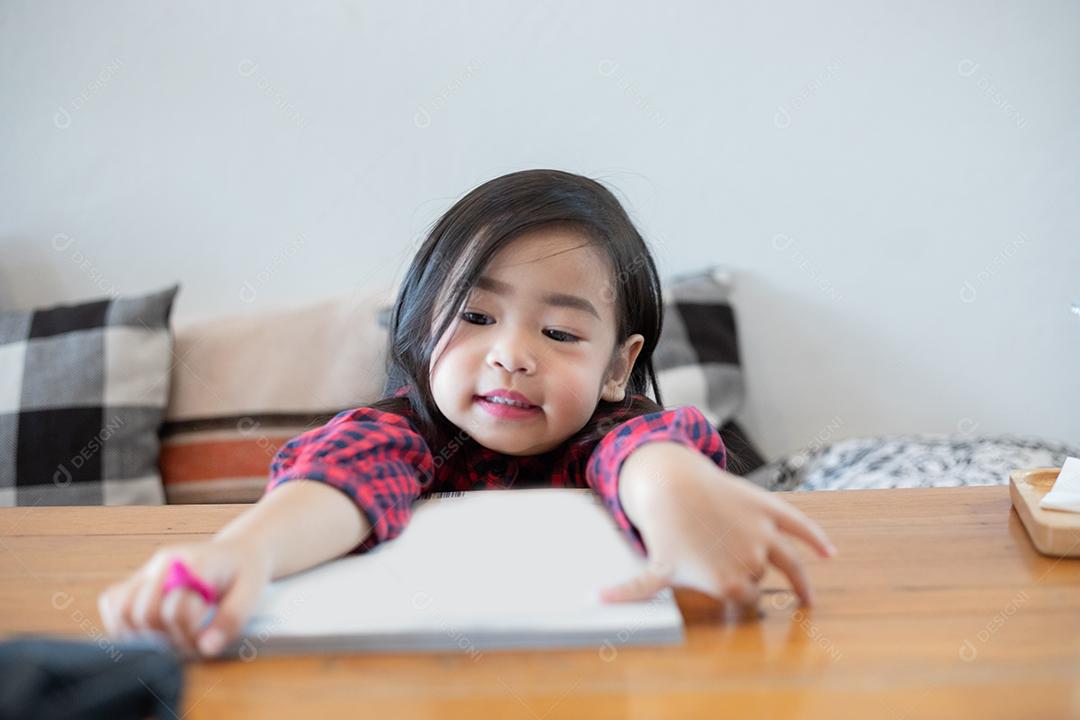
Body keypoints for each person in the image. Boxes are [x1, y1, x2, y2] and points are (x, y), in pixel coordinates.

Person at [99, 169, 837, 658]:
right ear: (421, 328)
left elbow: (648, 453)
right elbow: (337, 481)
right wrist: (243, 553)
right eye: (477, 315)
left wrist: (676, 492)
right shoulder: (401, 433)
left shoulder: (612, 432)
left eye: (560, 333)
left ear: (617, 365)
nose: (512, 355)